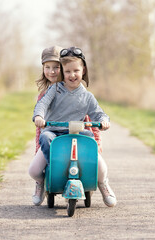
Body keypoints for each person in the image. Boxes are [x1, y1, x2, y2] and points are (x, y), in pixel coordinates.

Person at [32, 46, 117, 207]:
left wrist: (104, 121)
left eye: (76, 71)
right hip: (53, 132)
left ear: (83, 70)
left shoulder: (86, 96)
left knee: (91, 142)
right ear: (63, 73)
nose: (72, 75)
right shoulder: (54, 89)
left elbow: (98, 113)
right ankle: (52, 171)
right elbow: (42, 105)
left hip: (76, 132)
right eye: (67, 71)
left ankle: (102, 183)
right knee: (36, 165)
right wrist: (39, 116)